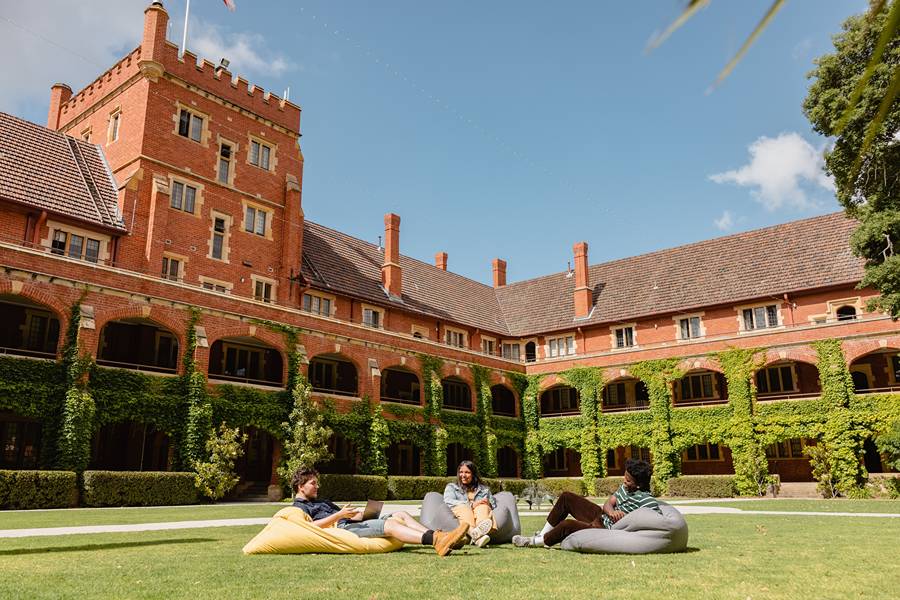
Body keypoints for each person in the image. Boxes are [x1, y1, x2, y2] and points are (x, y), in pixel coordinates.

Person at [291, 466, 468, 557]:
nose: (317, 486)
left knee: (401, 514)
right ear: (300, 486)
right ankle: (438, 540)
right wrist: (339, 515)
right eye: (313, 483)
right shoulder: (299, 507)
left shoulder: (321, 501)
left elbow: (346, 515)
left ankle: (442, 537)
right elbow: (310, 527)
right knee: (390, 524)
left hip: (350, 522)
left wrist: (364, 513)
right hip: (342, 528)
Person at [512, 458, 660, 548]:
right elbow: (609, 502)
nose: (624, 481)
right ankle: (543, 534)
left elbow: (656, 521)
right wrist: (611, 512)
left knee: (567, 525)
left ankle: (534, 542)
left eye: (628, 480)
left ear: (639, 485)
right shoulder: (624, 488)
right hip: (601, 516)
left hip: (605, 529)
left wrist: (626, 518)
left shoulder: (646, 501)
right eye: (625, 477)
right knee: (566, 497)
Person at [443, 460, 496, 547]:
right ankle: (477, 536)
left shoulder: (484, 489)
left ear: (473, 474)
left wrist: (488, 504)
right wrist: (471, 505)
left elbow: (493, 505)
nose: (463, 475)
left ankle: (478, 534)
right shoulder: (452, 487)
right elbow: (448, 500)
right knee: (463, 507)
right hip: (461, 512)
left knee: (483, 507)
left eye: (467, 472)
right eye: (461, 472)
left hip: (478, 515)